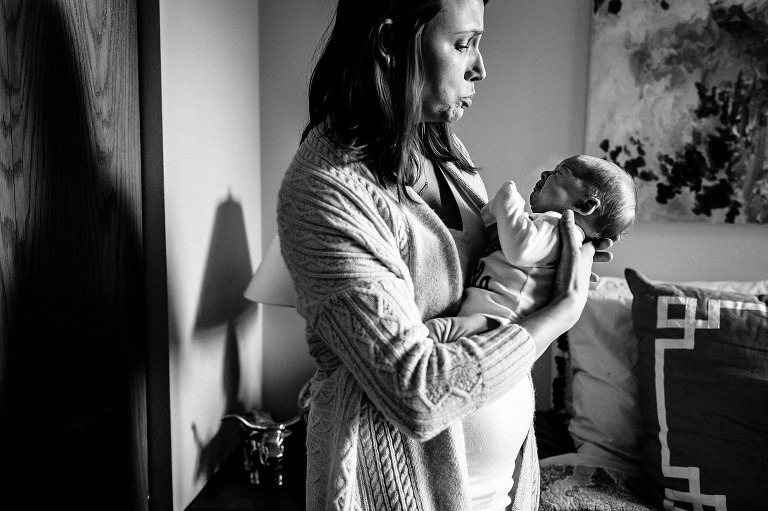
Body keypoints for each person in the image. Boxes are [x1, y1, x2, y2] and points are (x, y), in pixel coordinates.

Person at [276, 1, 612, 509]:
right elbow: (417, 392)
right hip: (394, 493)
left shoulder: (445, 152)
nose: (481, 67)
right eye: (463, 44)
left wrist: (561, 254)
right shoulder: (327, 190)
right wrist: (559, 313)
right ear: (391, 44)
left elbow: (491, 287)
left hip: (499, 494)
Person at [428, 154, 636, 335]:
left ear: (585, 205)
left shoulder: (555, 225)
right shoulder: (554, 238)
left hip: (494, 321)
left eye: (560, 172)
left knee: (431, 333)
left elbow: (519, 250)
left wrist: (508, 201)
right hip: (492, 318)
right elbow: (494, 229)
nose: (545, 173)